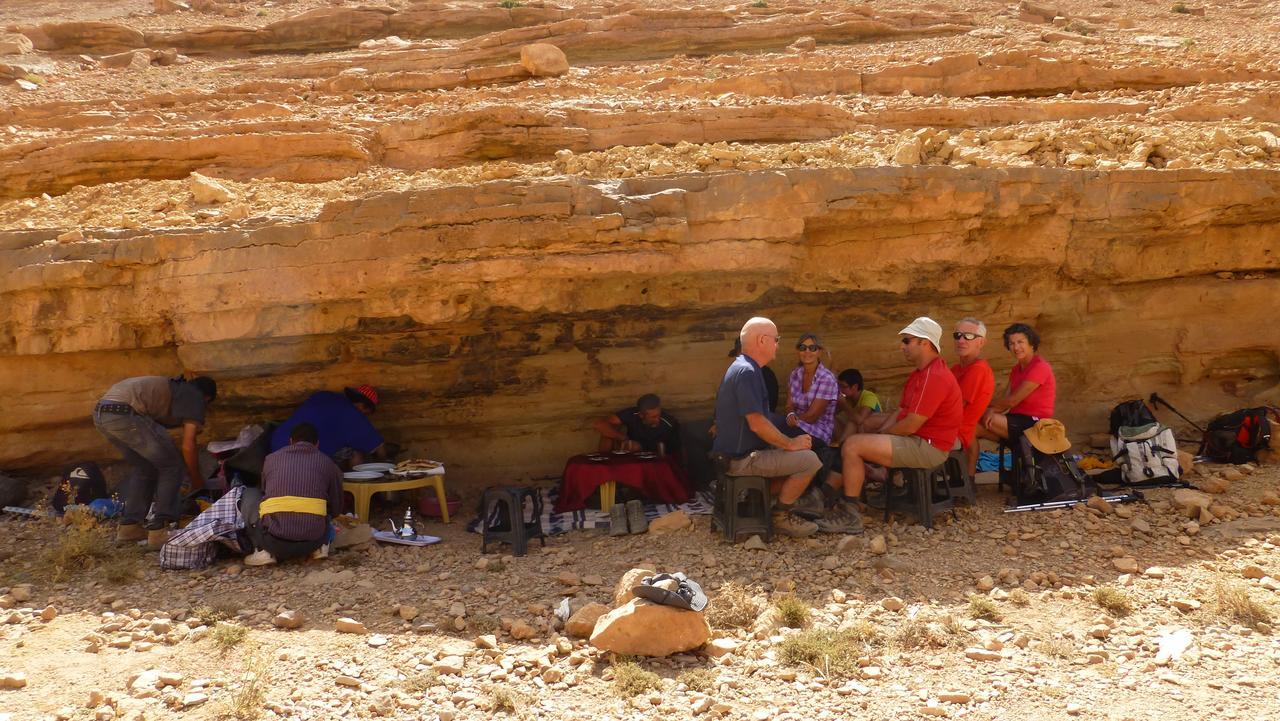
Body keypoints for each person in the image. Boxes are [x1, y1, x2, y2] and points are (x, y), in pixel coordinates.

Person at [712, 317, 853, 536]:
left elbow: (764, 419)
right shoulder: (748, 372)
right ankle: (779, 515)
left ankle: (758, 502)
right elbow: (757, 423)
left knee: (792, 447)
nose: (778, 344)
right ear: (762, 340)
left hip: (733, 454)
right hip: (742, 459)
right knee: (809, 461)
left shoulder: (743, 368)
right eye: (776, 339)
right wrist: (789, 444)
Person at [839, 317, 963, 502]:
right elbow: (901, 410)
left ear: (924, 343)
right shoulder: (921, 373)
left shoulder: (934, 376)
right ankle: (879, 484)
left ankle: (850, 511)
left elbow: (911, 425)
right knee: (864, 430)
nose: (901, 346)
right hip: (920, 439)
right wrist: (882, 433)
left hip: (929, 447)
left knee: (852, 445)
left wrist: (883, 435)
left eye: (907, 340)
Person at [93, 375, 217, 546]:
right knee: (172, 466)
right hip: (125, 413)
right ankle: (161, 528)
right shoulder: (195, 396)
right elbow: (188, 446)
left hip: (102, 414)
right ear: (207, 398)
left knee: (145, 467)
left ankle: (130, 528)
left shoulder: (173, 389)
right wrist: (197, 483)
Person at [243, 423, 343, 566]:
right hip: (314, 541)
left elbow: (265, 494)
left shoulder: (271, 459)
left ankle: (263, 551)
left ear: (290, 441)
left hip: (273, 542)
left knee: (250, 493)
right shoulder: (328, 463)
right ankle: (321, 548)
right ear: (317, 444)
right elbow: (336, 508)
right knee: (324, 509)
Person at [977, 323, 1057, 446]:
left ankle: (1018, 447)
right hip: (1016, 419)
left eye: (1020, 342)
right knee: (973, 428)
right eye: (1011, 343)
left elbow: (1011, 401)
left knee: (977, 414)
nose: (1016, 347)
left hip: (1035, 423)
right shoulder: (1016, 369)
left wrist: (984, 406)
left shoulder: (1040, 367)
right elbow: (1005, 400)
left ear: (1031, 343)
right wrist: (991, 409)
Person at [269, 385, 385, 467]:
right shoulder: (354, 415)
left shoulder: (324, 396)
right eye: (367, 414)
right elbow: (378, 447)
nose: (365, 417)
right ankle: (356, 491)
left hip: (277, 445)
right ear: (362, 406)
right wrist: (386, 464)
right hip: (305, 458)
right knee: (355, 453)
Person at [950, 317, 996, 479]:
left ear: (981, 342)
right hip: (956, 427)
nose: (961, 340)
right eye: (958, 335)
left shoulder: (978, 369)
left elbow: (956, 407)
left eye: (968, 336)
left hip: (957, 430)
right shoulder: (956, 369)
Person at [784, 333, 839, 447]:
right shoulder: (795, 374)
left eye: (812, 348)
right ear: (798, 351)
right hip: (796, 425)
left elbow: (812, 416)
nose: (807, 351)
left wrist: (791, 421)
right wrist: (790, 414)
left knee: (777, 430)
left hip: (818, 433)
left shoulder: (826, 378)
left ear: (819, 352)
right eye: (803, 348)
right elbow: (789, 405)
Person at [593, 393, 680, 454]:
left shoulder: (669, 423)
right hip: (631, 454)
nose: (658, 419)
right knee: (607, 434)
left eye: (659, 415)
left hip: (655, 459)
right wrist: (623, 438)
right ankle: (603, 465)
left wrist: (639, 447)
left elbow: (674, 451)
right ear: (641, 415)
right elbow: (599, 425)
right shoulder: (633, 414)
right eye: (653, 417)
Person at [834, 368, 882, 440]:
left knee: (852, 422)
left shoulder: (869, 396)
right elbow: (833, 413)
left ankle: (842, 446)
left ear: (855, 387)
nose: (840, 389)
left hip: (873, 434)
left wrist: (844, 405)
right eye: (839, 386)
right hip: (856, 433)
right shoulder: (848, 398)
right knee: (832, 419)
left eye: (844, 387)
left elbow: (860, 420)